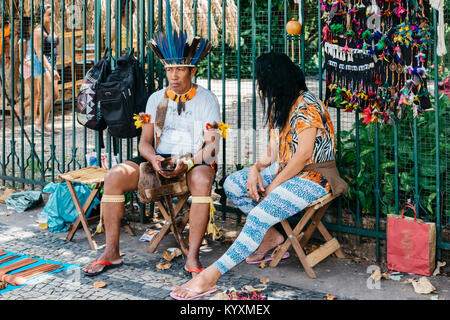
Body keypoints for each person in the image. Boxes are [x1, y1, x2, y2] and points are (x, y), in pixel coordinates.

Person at [170, 52, 348, 300]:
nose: (259, 86)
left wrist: (273, 184)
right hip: (287, 172)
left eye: (261, 80)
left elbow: (303, 154)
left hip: (315, 177)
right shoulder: (281, 103)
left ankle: (210, 275)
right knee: (233, 183)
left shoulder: (307, 103)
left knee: (258, 214)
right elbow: (273, 151)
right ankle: (272, 236)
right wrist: (255, 169)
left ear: (274, 79)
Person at [82, 19, 221, 278]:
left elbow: (211, 147)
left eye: (180, 70)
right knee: (113, 176)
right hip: (160, 158)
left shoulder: (207, 99)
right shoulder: (156, 99)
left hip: (194, 159)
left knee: (202, 180)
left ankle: (192, 257)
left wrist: (189, 162)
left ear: (193, 71)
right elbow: (144, 142)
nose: (174, 76)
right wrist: (153, 158)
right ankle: (111, 252)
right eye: (170, 70)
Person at [21, 4, 60, 135]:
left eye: (52, 13)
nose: (52, 16)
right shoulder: (38, 31)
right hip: (42, 64)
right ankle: (38, 124)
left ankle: (44, 124)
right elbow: (39, 52)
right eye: (49, 14)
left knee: (50, 95)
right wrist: (50, 69)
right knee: (53, 94)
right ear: (41, 16)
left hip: (52, 63)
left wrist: (55, 66)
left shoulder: (52, 28)